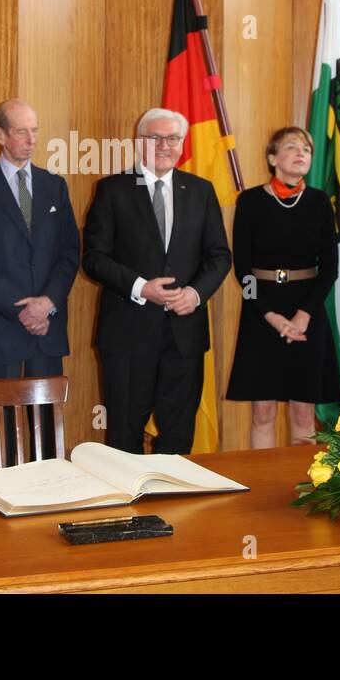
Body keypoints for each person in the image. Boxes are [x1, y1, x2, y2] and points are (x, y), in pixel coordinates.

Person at [81, 108, 232, 455]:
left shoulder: (200, 190)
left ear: (182, 144)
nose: (164, 145)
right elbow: (94, 258)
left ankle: (173, 507)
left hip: (185, 335)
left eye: (173, 138)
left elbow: (219, 256)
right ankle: (128, 508)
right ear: (140, 142)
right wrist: (140, 287)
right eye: (155, 137)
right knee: (123, 436)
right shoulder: (112, 189)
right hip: (127, 335)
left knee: (179, 437)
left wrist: (196, 293)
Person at [0, 99, 79, 462]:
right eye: (22, 131)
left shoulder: (54, 186)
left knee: (46, 436)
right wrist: (22, 309)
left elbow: (70, 251)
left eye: (35, 130)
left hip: (48, 330)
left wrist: (47, 304)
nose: (31, 139)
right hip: (1, 328)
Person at [226, 127, 339, 447]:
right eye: (292, 147)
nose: (301, 152)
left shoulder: (319, 203)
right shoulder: (249, 201)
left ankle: (302, 491)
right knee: (262, 412)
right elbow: (243, 273)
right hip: (261, 311)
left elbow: (330, 270)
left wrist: (304, 315)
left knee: (304, 413)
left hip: (308, 310)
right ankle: (264, 487)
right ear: (273, 158)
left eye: (306, 148)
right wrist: (270, 315)